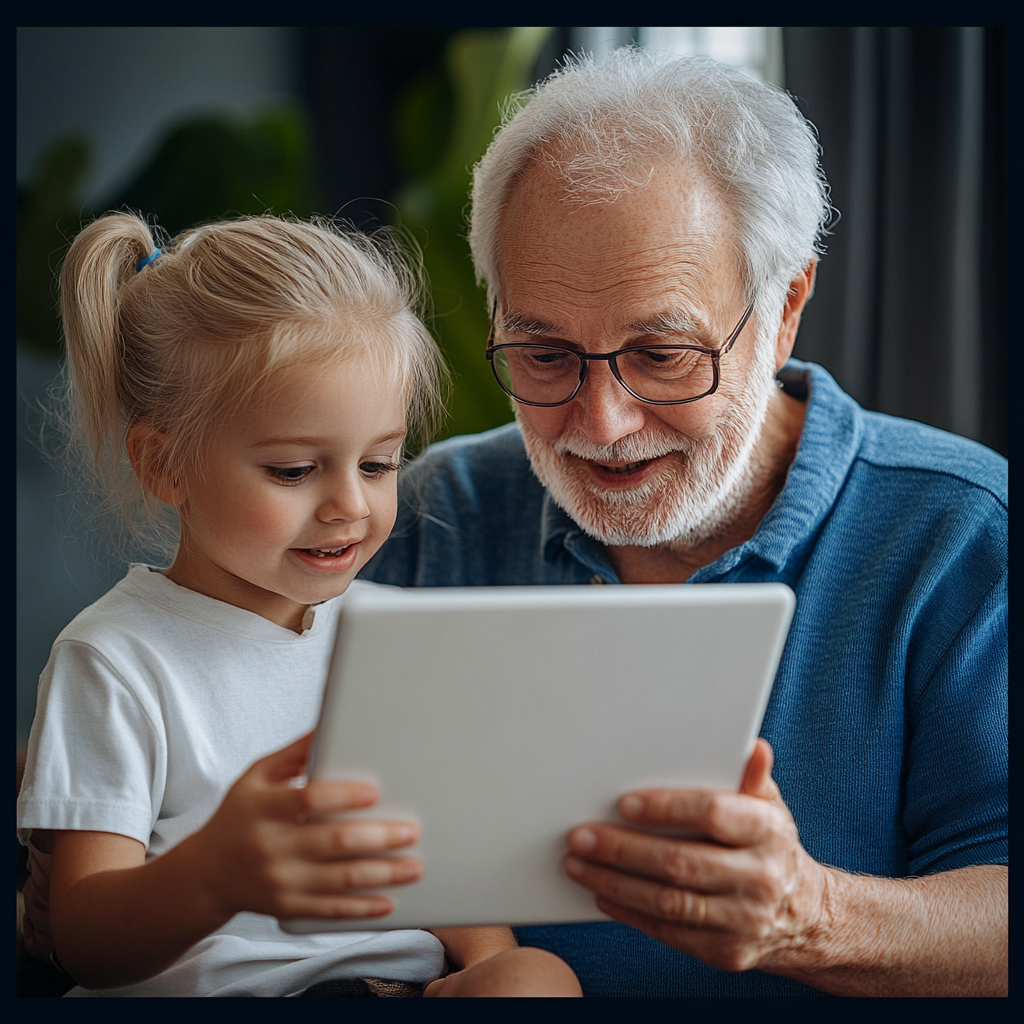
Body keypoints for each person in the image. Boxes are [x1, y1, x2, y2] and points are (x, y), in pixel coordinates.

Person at [361, 49, 1008, 997]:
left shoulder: (962, 531)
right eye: (542, 354)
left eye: (662, 355)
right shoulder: (425, 513)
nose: (601, 425)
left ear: (784, 310)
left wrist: (811, 916)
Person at [16, 213, 582, 998]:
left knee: (533, 979)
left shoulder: (394, 635)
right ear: (163, 465)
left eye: (380, 463)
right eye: (292, 470)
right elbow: (79, 937)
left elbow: (440, 860)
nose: (349, 505)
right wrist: (215, 874)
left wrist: (489, 960)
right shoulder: (115, 657)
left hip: (390, 989)